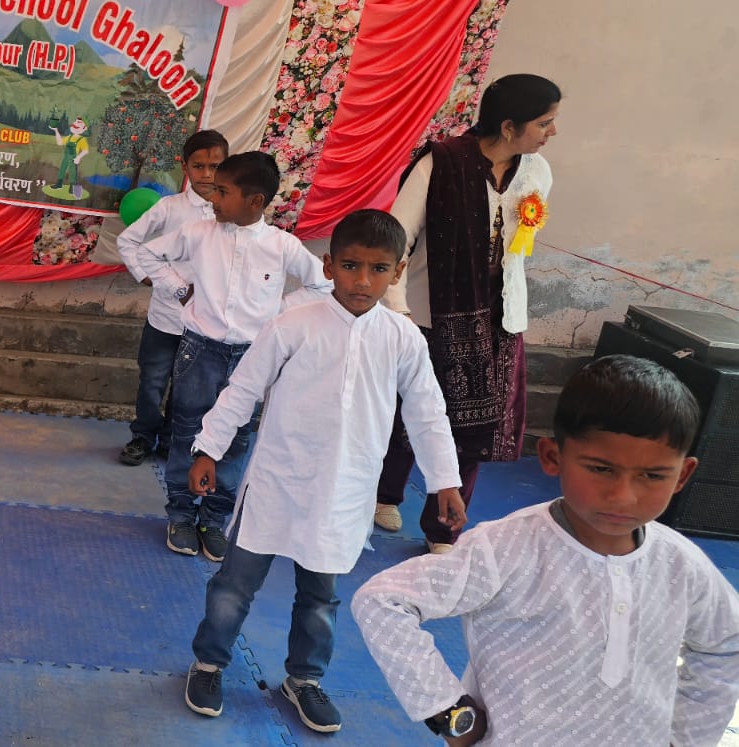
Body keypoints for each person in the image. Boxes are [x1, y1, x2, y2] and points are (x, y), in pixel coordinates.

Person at [353, 355, 739, 746]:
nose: (623, 496)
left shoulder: (682, 566)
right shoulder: (506, 549)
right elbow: (383, 601)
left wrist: (687, 740)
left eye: (652, 475)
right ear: (553, 457)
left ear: (682, 475)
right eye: (601, 469)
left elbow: (727, 643)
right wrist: (449, 713)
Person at [181, 209, 464, 734]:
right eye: (351, 266)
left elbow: (427, 411)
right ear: (329, 266)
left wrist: (444, 480)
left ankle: (304, 679)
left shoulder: (403, 338)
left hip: (345, 490)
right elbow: (243, 389)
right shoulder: (293, 324)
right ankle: (209, 664)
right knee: (234, 586)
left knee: (320, 597)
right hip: (278, 480)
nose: (363, 281)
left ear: (398, 272)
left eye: (378, 269)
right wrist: (208, 450)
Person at [374, 74, 561, 552]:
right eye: (544, 122)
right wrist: (399, 313)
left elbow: (518, 245)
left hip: (499, 320)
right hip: (429, 316)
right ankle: (384, 495)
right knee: (409, 417)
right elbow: (396, 240)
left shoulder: (537, 172)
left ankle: (443, 527)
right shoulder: (440, 163)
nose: (552, 132)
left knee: (475, 431)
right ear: (508, 126)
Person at [131, 152, 332, 560]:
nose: (213, 199)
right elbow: (148, 254)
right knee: (187, 430)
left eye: (223, 192)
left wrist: (277, 314)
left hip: (253, 357)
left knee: (238, 438)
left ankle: (214, 518)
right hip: (198, 350)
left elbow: (322, 285)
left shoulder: (282, 246)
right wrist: (178, 288)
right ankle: (181, 515)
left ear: (254, 201)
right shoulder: (198, 233)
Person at [115, 129, 228, 466]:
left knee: (187, 386)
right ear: (185, 167)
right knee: (152, 381)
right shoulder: (169, 208)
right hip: (165, 319)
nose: (206, 174)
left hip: (205, 323)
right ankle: (142, 436)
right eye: (199, 166)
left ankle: (171, 440)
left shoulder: (230, 214)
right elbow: (128, 241)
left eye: (215, 166)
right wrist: (145, 274)